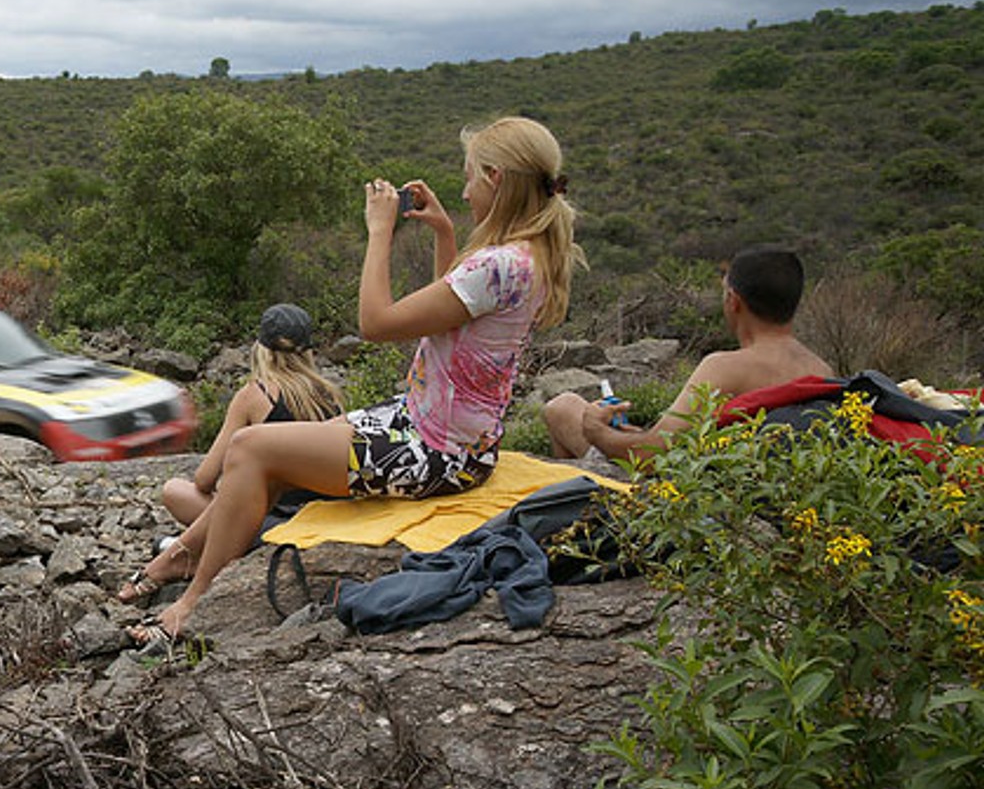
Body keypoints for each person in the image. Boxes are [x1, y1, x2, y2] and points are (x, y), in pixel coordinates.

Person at [118, 116, 583, 644]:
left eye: (472, 177)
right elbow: (452, 310)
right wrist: (445, 232)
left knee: (250, 448)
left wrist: (380, 231)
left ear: (497, 179)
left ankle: (192, 600)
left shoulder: (499, 264)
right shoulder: (525, 256)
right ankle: (174, 559)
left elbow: (376, 323)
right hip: (446, 436)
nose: (464, 189)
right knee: (283, 454)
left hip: (434, 450)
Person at [543, 245, 832, 468]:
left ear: (734, 301)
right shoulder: (823, 371)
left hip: (688, 497)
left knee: (562, 407)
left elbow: (648, 455)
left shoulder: (725, 367)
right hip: (760, 488)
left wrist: (597, 431)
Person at [156, 303, 343, 529]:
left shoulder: (255, 395)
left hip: (275, 522)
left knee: (174, 490)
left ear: (262, 349)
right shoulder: (330, 395)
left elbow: (204, 480)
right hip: (330, 516)